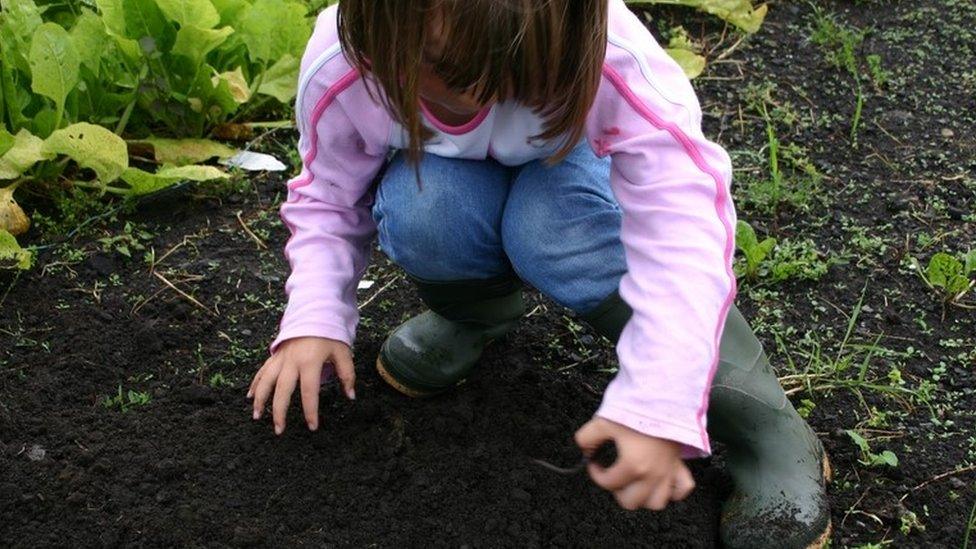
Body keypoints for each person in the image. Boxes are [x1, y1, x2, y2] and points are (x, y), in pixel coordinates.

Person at [246, 1, 831, 547]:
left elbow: (681, 228)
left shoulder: (609, 56)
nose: (489, 95)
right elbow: (327, 195)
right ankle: (473, 316)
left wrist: (660, 397)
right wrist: (315, 316)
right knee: (425, 211)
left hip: (576, 164)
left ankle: (758, 422)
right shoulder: (346, 68)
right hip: (447, 174)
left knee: (553, 229)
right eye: (451, 70)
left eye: (518, 75)